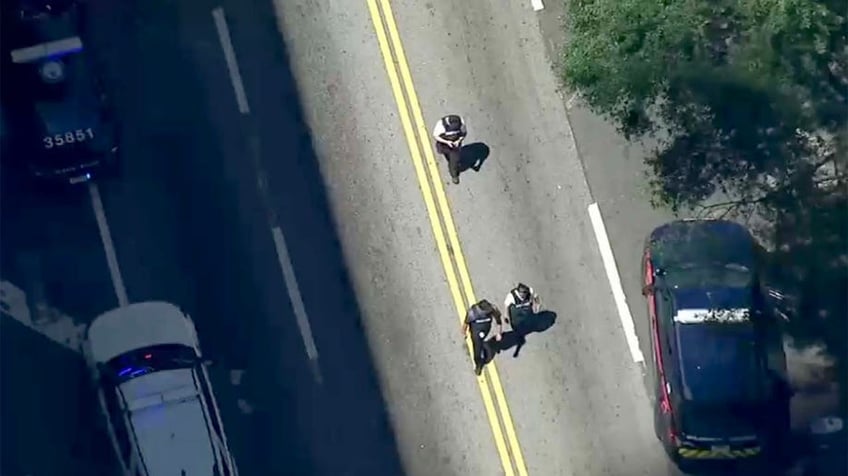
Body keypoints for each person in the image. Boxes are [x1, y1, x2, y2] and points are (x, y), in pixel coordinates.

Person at [461, 299, 503, 375]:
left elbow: (498, 320)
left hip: (485, 329)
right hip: (475, 332)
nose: (489, 313)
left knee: (481, 341)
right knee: (477, 350)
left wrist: (499, 333)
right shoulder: (472, 313)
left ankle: (483, 345)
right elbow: (465, 324)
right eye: (487, 312)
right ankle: (478, 364)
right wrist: (464, 333)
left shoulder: (492, 308)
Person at [503, 283, 540, 357]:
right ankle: (517, 333)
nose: (524, 296)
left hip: (526, 311)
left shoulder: (530, 291)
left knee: (527, 321)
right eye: (522, 294)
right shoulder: (511, 296)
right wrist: (506, 315)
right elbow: (506, 306)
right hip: (516, 312)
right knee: (516, 327)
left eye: (525, 294)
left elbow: (536, 297)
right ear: (518, 292)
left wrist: (537, 306)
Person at [432, 114, 467, 184]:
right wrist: (447, 142)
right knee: (446, 154)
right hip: (444, 144)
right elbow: (435, 136)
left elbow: (464, 133)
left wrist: (459, 140)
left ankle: (454, 175)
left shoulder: (461, 123)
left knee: (454, 161)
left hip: (455, 144)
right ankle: (449, 158)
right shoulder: (441, 126)